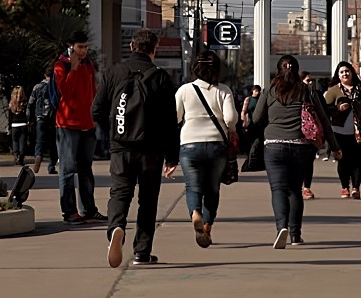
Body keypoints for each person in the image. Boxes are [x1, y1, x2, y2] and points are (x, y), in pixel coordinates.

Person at [92, 29, 179, 267]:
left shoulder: (114, 72)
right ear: (154, 49)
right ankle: (142, 252)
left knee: (120, 193)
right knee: (148, 200)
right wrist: (172, 156)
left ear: (131, 46)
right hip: (152, 149)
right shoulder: (160, 77)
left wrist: (113, 130)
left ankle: (116, 228)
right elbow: (170, 121)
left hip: (120, 147)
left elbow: (96, 110)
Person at [252, 55, 342, 248]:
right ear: (297, 70)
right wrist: (335, 148)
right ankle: (295, 235)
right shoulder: (306, 90)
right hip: (301, 147)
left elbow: (256, 118)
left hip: (274, 146)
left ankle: (281, 228)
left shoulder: (270, 91)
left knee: (278, 189)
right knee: (294, 190)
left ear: (278, 70)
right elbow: (324, 120)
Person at [171, 51, 238, 248]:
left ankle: (195, 213)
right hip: (216, 145)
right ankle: (207, 227)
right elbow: (230, 118)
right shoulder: (223, 90)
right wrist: (231, 130)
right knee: (212, 189)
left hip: (190, 144)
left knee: (193, 187)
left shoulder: (184, 90)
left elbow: (175, 116)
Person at [54, 30, 105, 225]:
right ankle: (69, 212)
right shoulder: (61, 66)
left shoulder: (89, 64)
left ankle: (89, 210)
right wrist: (73, 69)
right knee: (67, 170)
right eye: (80, 47)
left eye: (85, 47)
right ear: (71, 47)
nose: (83, 51)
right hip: (68, 125)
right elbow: (65, 92)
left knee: (86, 169)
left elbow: (93, 90)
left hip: (87, 124)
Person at [324, 61, 361, 200]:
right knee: (343, 160)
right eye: (342, 72)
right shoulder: (333, 90)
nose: (345, 74)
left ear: (352, 73)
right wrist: (338, 108)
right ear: (338, 75)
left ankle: (356, 187)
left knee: (357, 161)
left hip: (359, 131)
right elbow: (325, 110)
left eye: (347, 71)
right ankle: (345, 187)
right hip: (339, 132)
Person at [27, 67, 58, 174]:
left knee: (40, 140)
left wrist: (30, 118)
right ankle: (51, 166)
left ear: (44, 75)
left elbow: (31, 103)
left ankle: (38, 155)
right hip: (52, 118)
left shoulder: (37, 87)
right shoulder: (55, 86)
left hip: (40, 117)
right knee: (53, 142)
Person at [300, 71, 317, 200]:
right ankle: (298, 187)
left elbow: (323, 114)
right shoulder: (292, 95)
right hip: (296, 134)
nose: (310, 83)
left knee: (309, 162)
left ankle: (306, 187)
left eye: (311, 81)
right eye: (307, 80)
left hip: (311, 135)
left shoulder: (314, 95)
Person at [8, 86, 28, 166]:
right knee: (22, 141)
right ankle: (21, 157)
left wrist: (9, 126)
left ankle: (16, 155)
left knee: (15, 141)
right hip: (23, 124)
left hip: (14, 124)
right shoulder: (25, 103)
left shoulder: (11, 104)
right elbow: (28, 114)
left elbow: (10, 117)